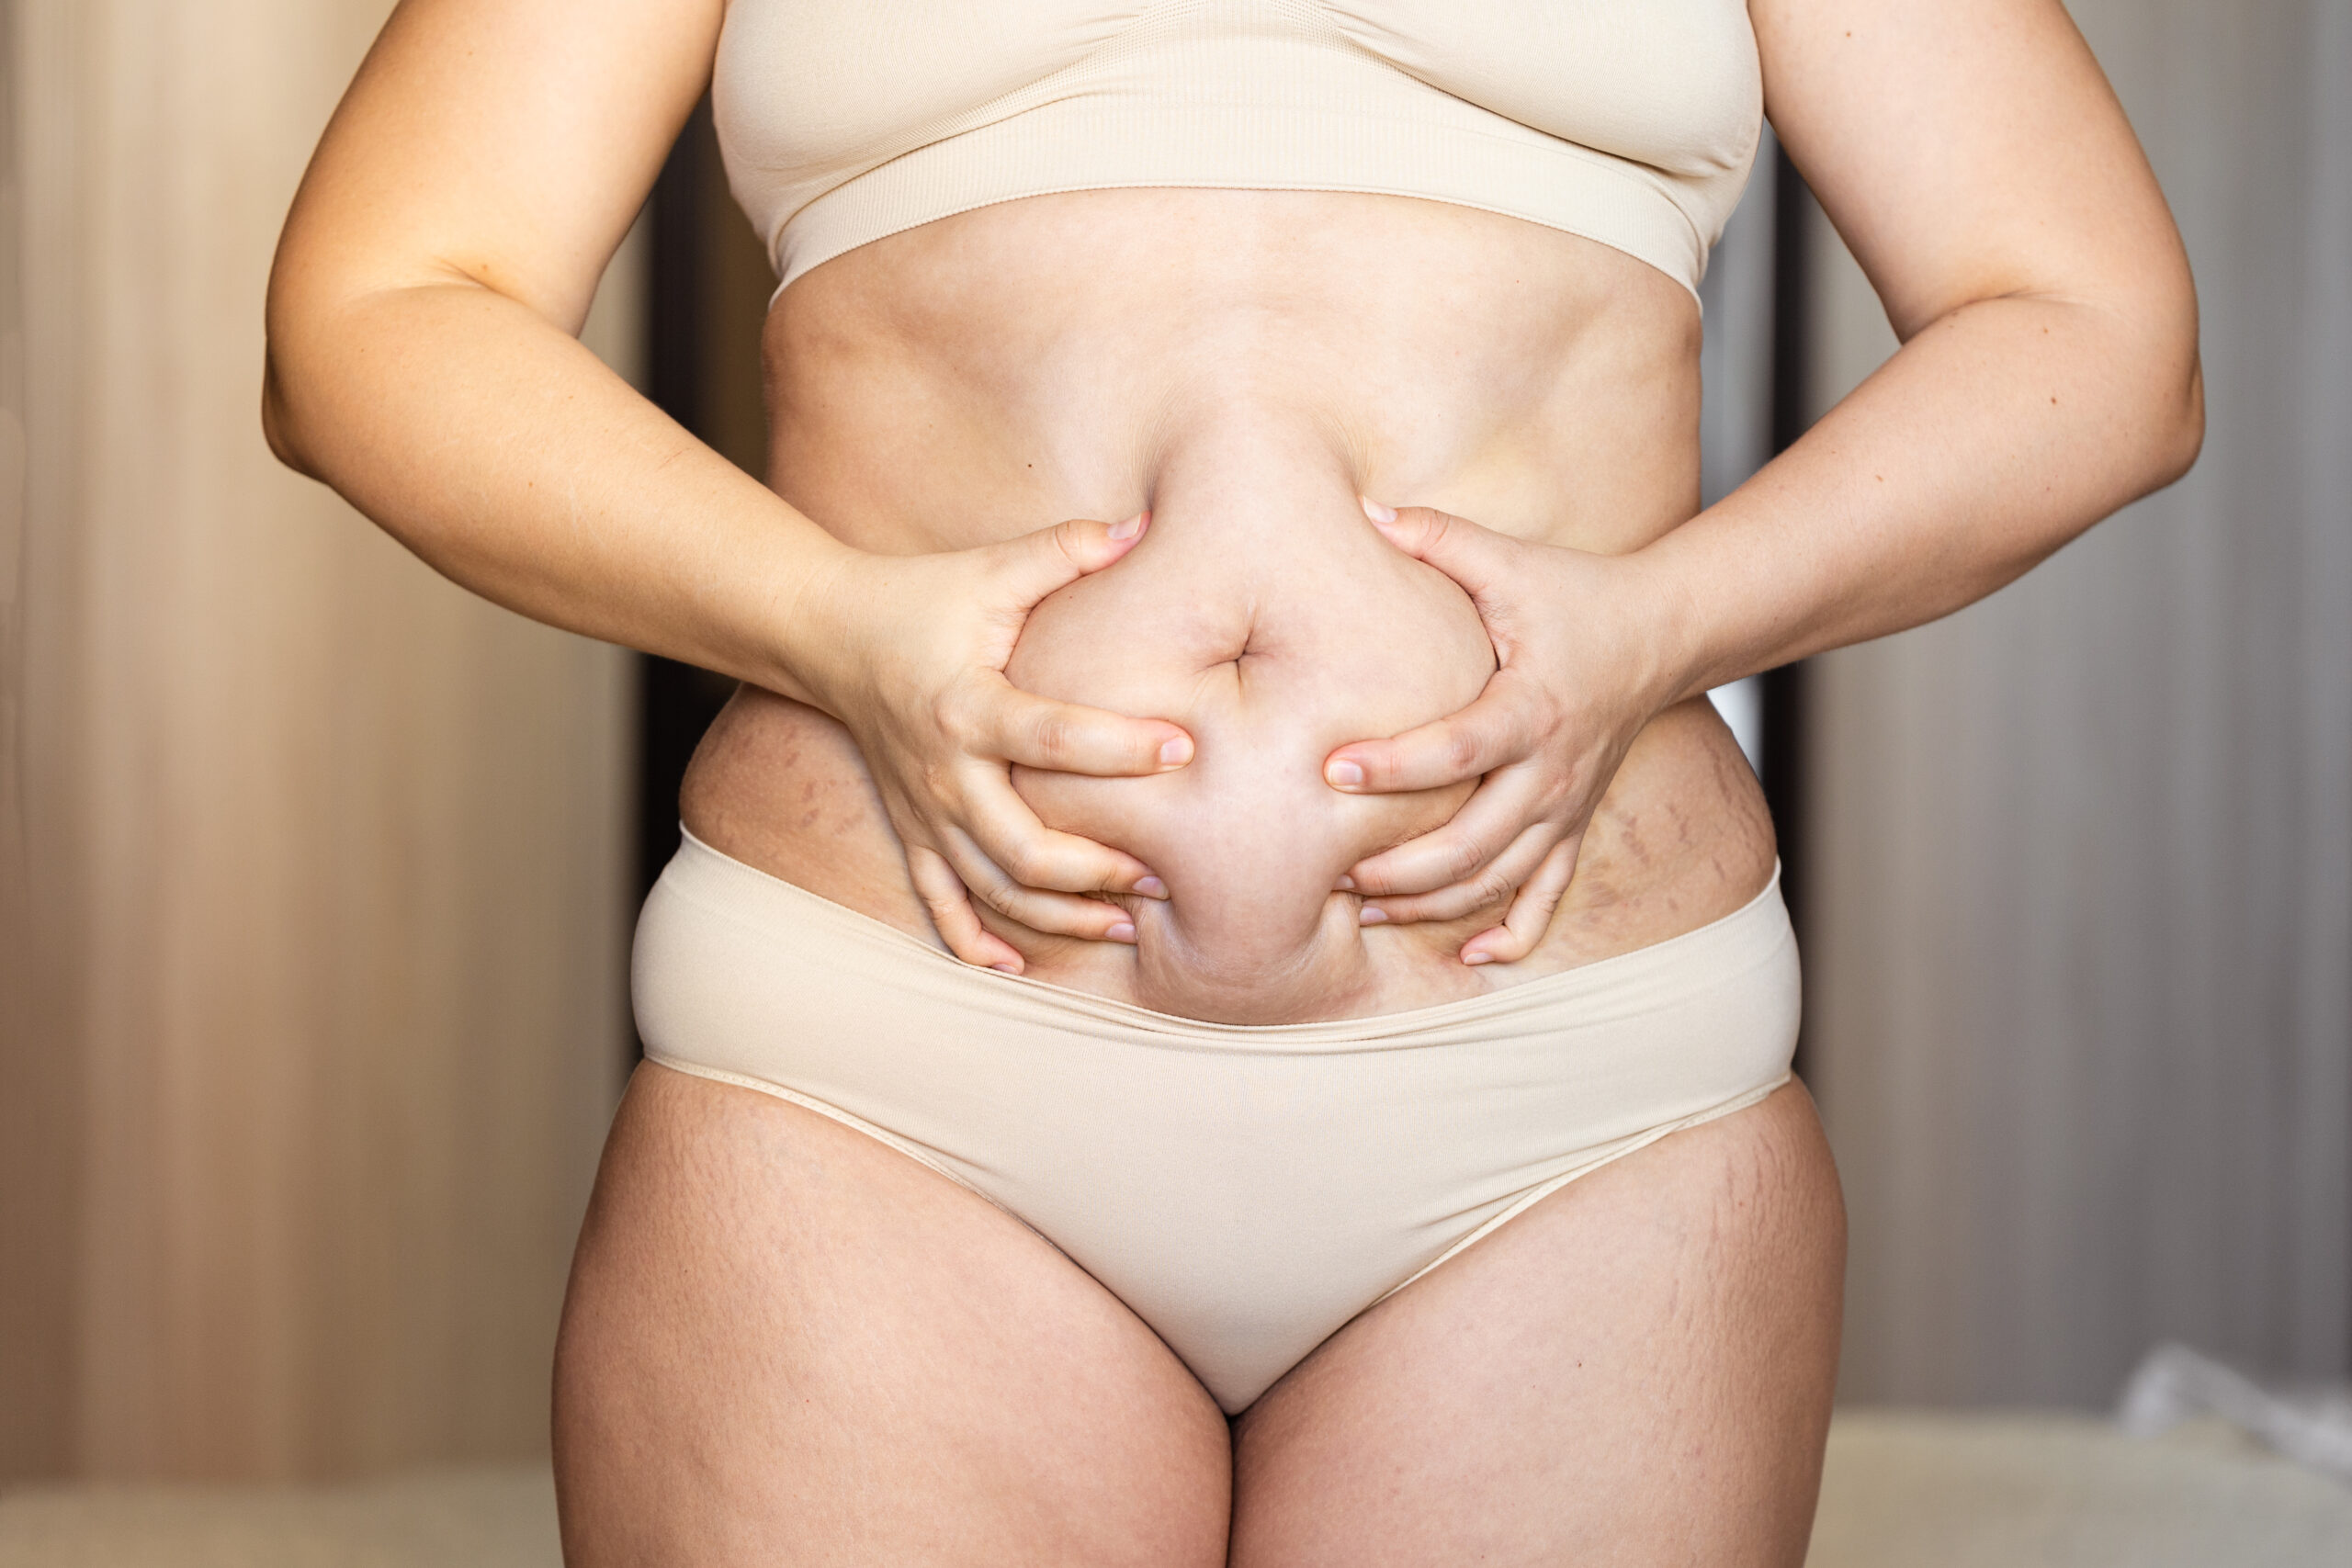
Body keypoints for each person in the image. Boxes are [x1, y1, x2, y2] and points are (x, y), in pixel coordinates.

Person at [264, 0, 2200, 1560]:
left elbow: (2092, 329)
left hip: (1569, 1113)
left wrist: (1658, 623)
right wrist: (832, 618)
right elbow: (376, 308)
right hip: (889, 1074)